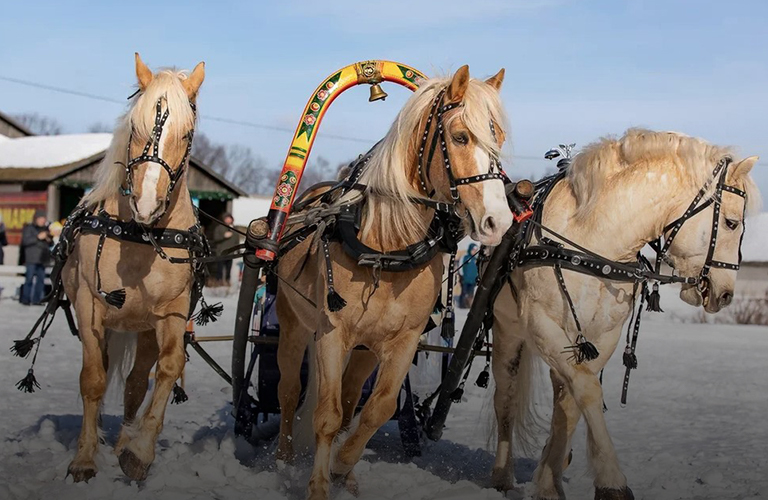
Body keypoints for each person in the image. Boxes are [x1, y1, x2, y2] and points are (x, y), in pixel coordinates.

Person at [20, 210, 53, 305]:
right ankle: (25, 299)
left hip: (42, 259)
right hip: (31, 258)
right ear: (36, 219)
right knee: (29, 279)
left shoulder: (45, 229)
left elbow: (50, 244)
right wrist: (38, 237)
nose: (43, 221)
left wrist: (48, 239)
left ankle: (37, 300)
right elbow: (25, 241)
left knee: (40, 281)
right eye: (41, 219)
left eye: (44, 219)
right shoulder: (29, 228)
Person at [211, 213, 240, 286]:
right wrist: (224, 236)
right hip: (221, 252)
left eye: (229, 218)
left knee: (228, 269)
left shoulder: (234, 229)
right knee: (219, 269)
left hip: (230, 253)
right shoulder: (219, 228)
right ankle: (219, 281)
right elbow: (215, 239)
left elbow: (237, 240)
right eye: (226, 218)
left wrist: (238, 250)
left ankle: (227, 281)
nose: (228, 220)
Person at [459, 243, 480, 308]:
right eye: (473, 250)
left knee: (471, 293)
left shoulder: (476, 259)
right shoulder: (465, 257)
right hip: (465, 279)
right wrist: (461, 275)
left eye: (475, 250)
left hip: (473, 280)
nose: (474, 252)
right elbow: (460, 266)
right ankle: (462, 305)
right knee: (464, 293)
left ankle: (469, 305)